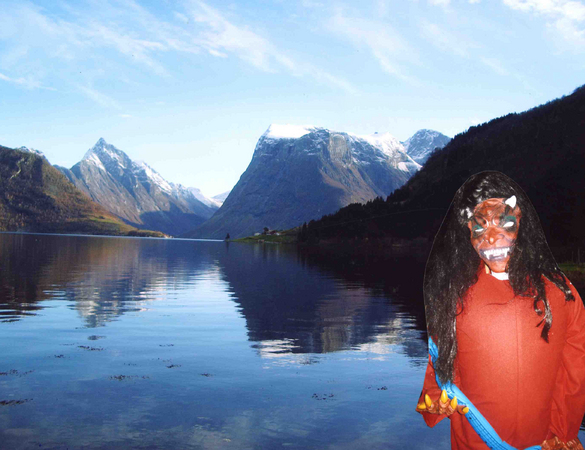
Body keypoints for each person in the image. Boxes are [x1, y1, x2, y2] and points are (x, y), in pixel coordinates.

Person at [416, 171, 585, 450]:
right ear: (467, 230)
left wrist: (563, 430)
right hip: (475, 440)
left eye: (503, 221)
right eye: (480, 226)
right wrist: (435, 399)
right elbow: (441, 359)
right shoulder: (454, 295)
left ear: (520, 221)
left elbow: (575, 365)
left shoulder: (560, 293)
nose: (492, 237)